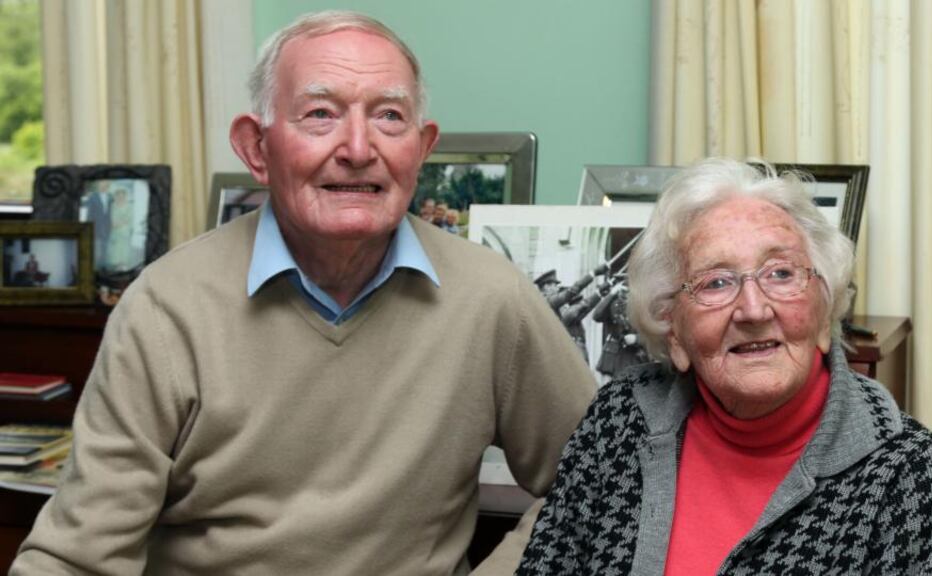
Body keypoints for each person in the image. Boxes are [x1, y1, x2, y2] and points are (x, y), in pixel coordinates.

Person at [12, 11, 596, 576]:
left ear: (420, 148)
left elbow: (600, 476)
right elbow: (78, 555)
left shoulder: (493, 301)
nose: (359, 148)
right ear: (256, 149)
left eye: (389, 117)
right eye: (321, 114)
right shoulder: (167, 311)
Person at [516, 158, 932, 575]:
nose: (754, 310)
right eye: (716, 282)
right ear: (674, 332)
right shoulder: (620, 418)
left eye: (780, 274)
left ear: (824, 313)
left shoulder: (912, 474)